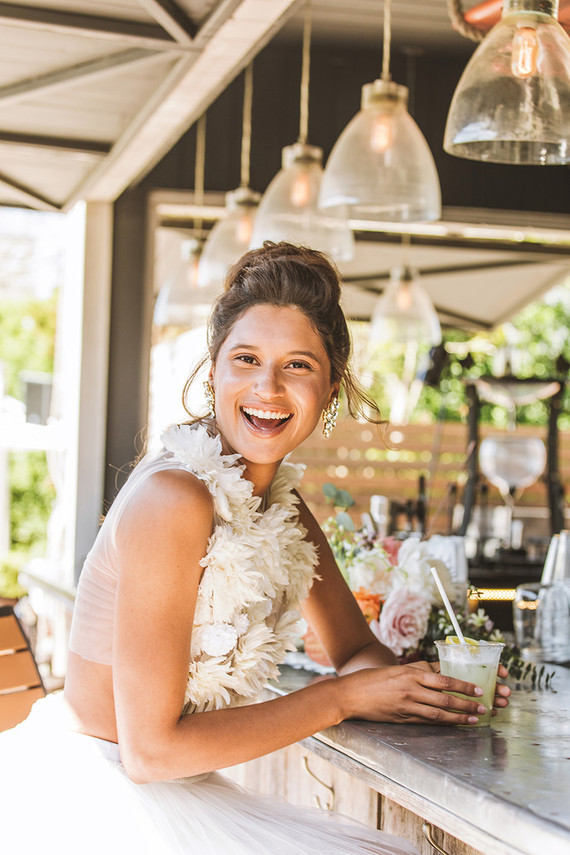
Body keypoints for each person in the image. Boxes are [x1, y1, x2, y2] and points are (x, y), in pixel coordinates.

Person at [0, 242, 510, 854]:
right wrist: (342, 697)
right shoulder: (176, 500)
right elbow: (150, 752)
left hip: (183, 795)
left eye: (298, 365)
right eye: (246, 358)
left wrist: (429, 690)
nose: (268, 387)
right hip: (105, 806)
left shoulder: (283, 508)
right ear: (212, 370)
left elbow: (354, 650)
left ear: (331, 389)